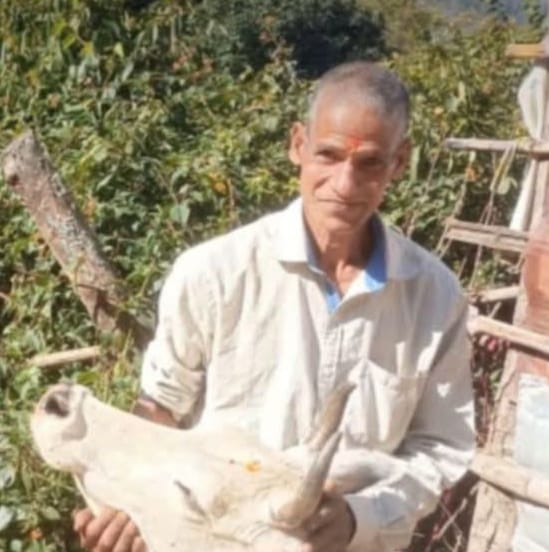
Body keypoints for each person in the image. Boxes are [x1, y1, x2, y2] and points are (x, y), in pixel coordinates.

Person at [73, 61, 475, 552]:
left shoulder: (434, 297)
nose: (345, 184)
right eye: (328, 155)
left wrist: (360, 517)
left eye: (370, 162)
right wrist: (128, 504)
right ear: (298, 144)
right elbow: (159, 410)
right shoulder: (214, 274)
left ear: (400, 161)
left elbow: (440, 447)